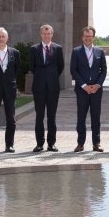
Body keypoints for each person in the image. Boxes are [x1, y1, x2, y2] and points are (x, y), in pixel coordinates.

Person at [70, 25, 107, 152]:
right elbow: (73, 70)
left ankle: (96, 143)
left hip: (96, 90)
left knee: (96, 116)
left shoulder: (100, 52)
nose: (88, 38)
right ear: (82, 37)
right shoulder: (76, 51)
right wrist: (84, 86)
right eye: (86, 36)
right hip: (82, 90)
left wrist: (97, 85)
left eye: (90, 36)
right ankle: (80, 143)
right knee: (81, 116)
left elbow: (104, 70)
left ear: (93, 37)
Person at [29, 24, 64, 152]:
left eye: (48, 33)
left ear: (52, 34)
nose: (46, 36)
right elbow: (32, 67)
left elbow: (60, 66)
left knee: (51, 116)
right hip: (38, 87)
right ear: (40, 34)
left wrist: (51, 77)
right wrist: (42, 77)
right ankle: (39, 143)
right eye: (44, 33)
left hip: (53, 87)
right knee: (39, 115)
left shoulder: (58, 49)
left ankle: (51, 143)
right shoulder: (34, 49)